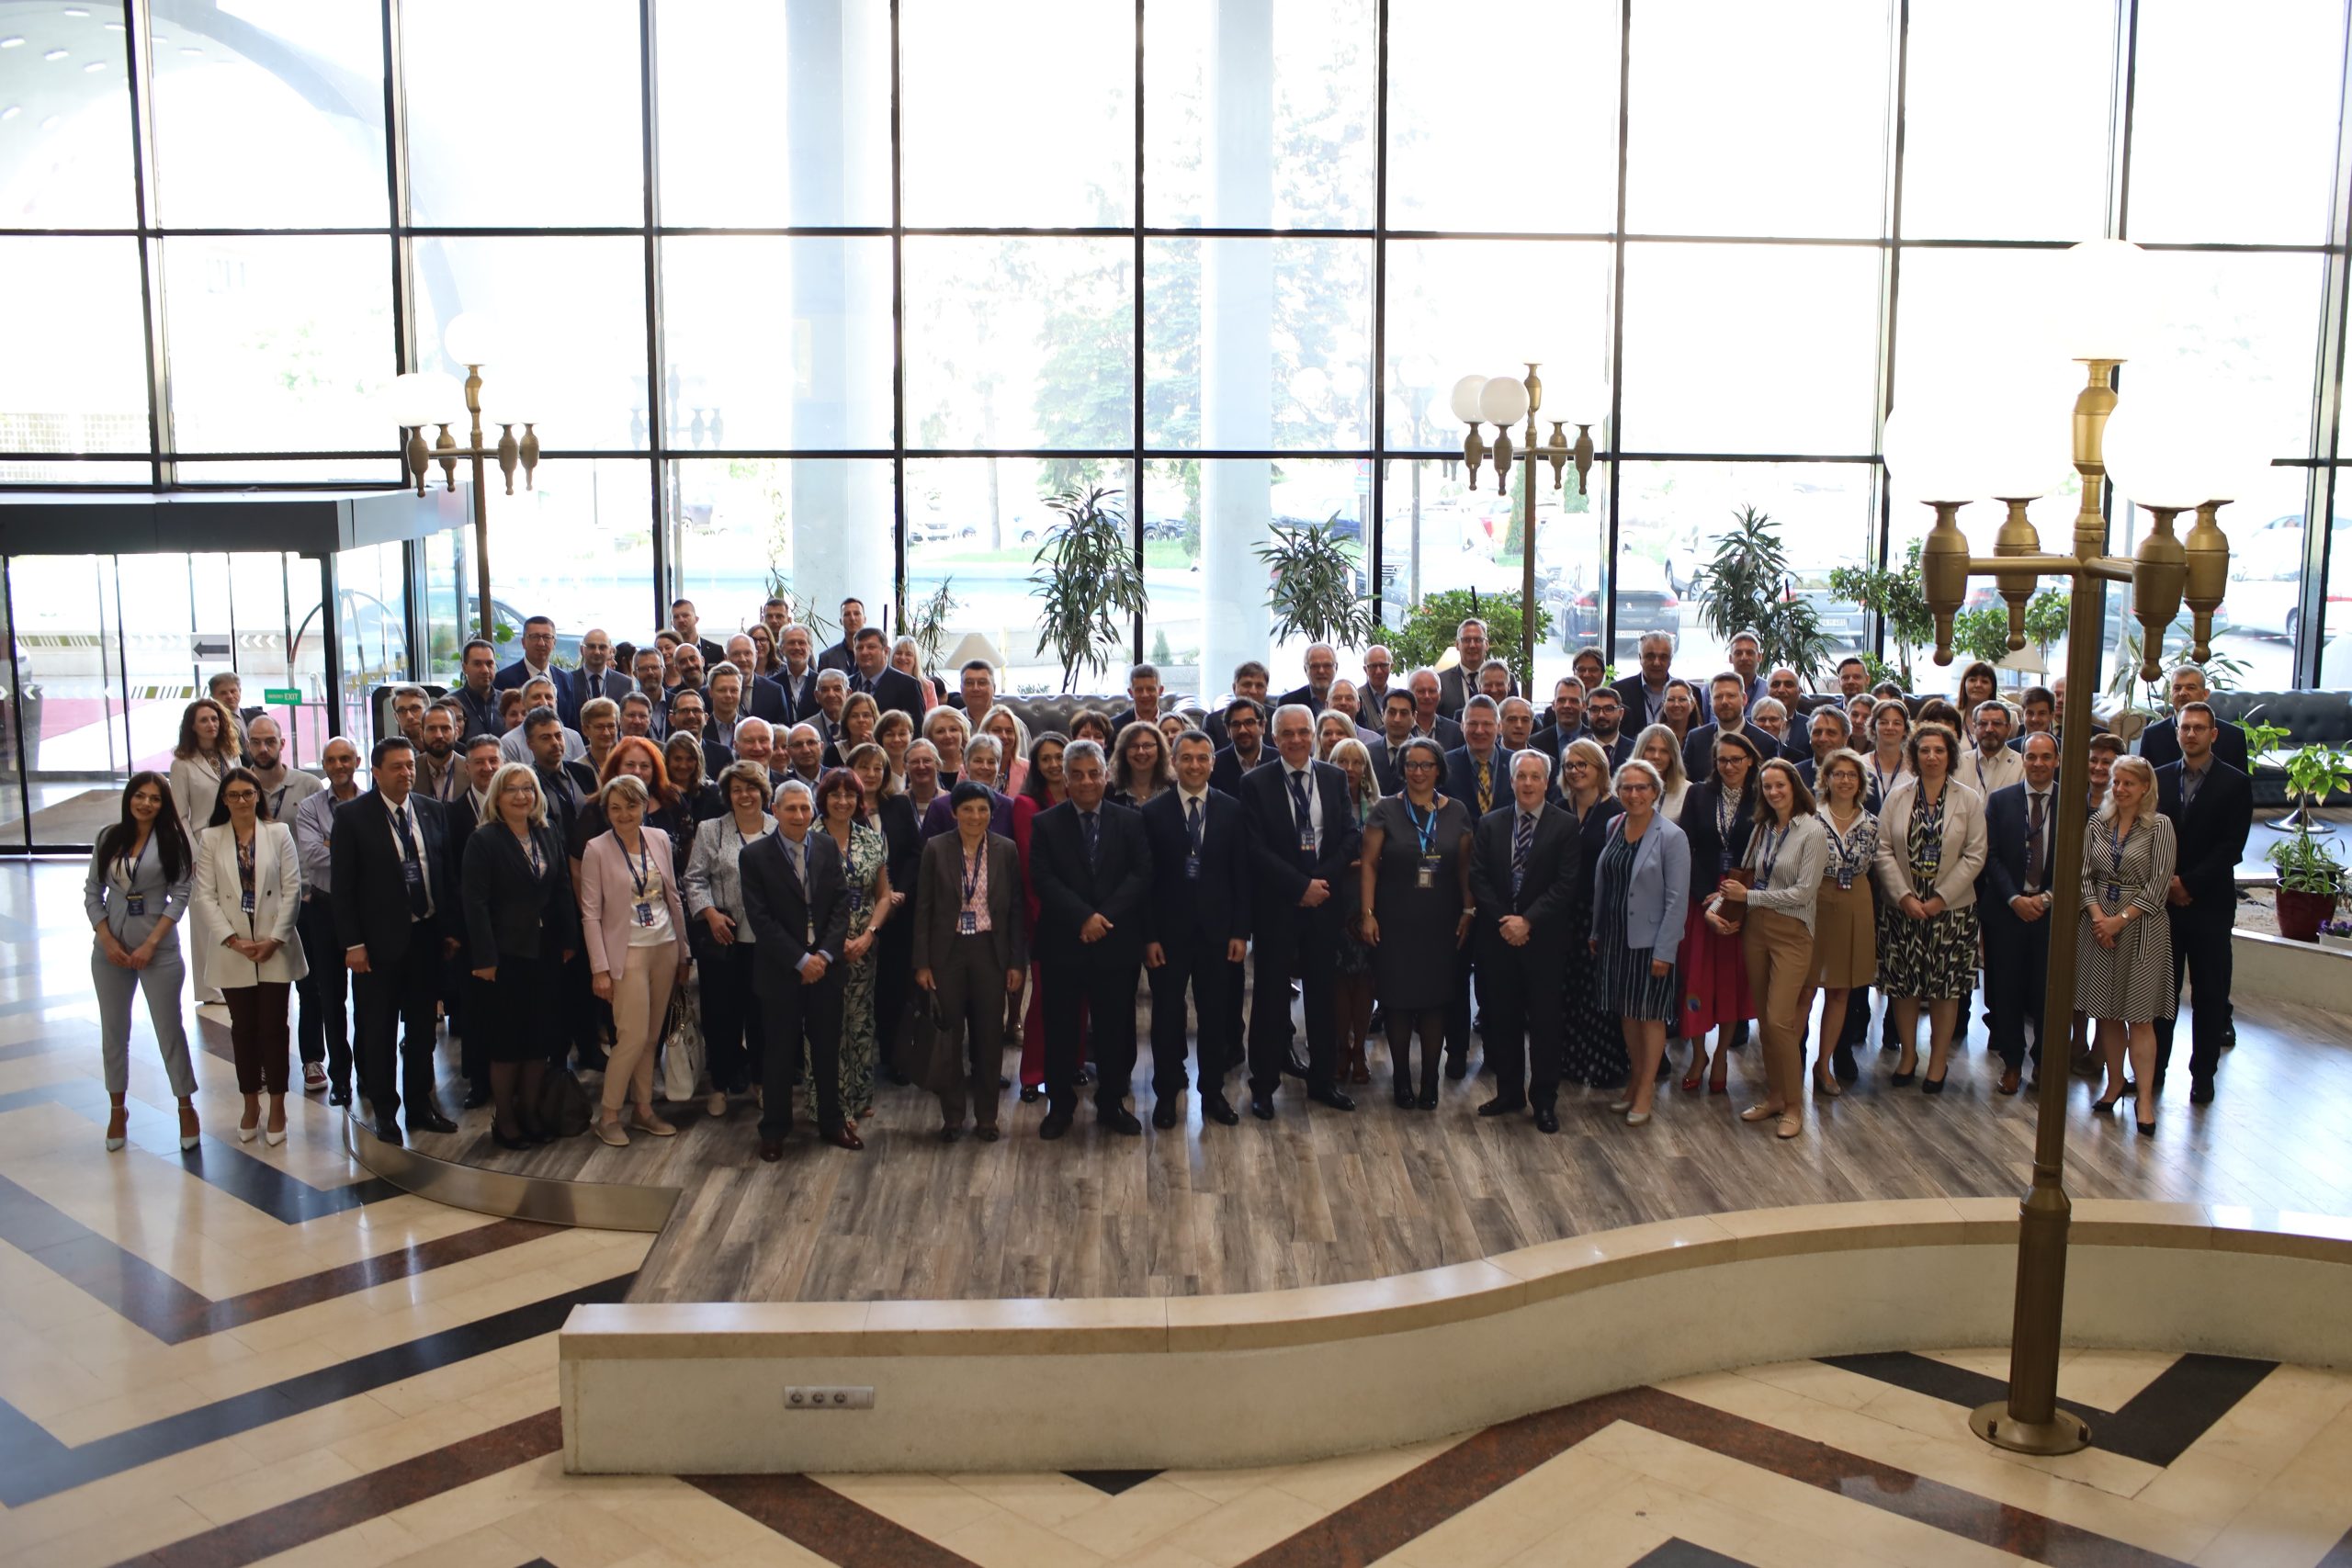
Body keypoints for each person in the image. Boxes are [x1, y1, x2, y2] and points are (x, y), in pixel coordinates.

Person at [333, 736, 458, 1145]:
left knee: (422, 1031)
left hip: (426, 936)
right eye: (397, 767)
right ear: (376, 772)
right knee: (379, 1030)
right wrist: (353, 944)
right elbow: (343, 887)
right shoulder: (353, 816)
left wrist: (449, 930)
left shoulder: (432, 810)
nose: (406, 773)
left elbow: (444, 873)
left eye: (410, 766)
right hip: (377, 943)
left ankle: (420, 1105)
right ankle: (386, 1112)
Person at [1238, 704, 1362, 1118]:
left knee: (1323, 997)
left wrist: (1318, 883)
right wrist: (1298, 887)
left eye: (1302, 732)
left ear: (1313, 735)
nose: (1295, 740)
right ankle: (1263, 1086)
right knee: (1270, 999)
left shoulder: (1333, 777)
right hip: (1278, 906)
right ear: (1274, 738)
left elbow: (1350, 836)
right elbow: (1254, 848)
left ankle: (1323, 1081)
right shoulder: (1255, 783)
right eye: (1287, 733)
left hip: (1323, 904)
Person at [1027, 739, 1151, 1137]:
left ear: (1106, 776)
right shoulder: (1045, 824)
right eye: (1077, 774)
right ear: (1065, 779)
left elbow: (1141, 874)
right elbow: (1042, 878)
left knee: (1115, 1029)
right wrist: (1083, 916)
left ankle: (1112, 1103)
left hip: (1116, 942)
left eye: (1094, 773)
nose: (1086, 782)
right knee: (1061, 1029)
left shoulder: (1130, 821)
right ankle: (1060, 1106)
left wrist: (1103, 917)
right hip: (1064, 942)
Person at [1136, 728, 1251, 1129]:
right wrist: (1149, 936)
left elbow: (1241, 876)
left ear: (1213, 763)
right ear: (1173, 763)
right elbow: (1145, 881)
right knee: (1167, 1017)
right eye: (1186, 758)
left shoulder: (1233, 810)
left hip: (1219, 934)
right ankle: (1167, 1093)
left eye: (1203, 758)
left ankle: (1213, 1092)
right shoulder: (1153, 813)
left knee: (1215, 1016)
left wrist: (1240, 932)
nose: (1195, 765)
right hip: (1168, 935)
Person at [462, 763, 578, 1148]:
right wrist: (485, 958)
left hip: (546, 952)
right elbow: (475, 903)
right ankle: (506, 1120)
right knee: (508, 1043)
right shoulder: (483, 840)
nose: (521, 795)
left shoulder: (547, 831)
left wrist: (569, 938)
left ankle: (530, 1112)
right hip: (504, 955)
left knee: (540, 1039)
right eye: (512, 789)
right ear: (497, 796)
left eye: (528, 788)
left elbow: (562, 887)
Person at [741, 779, 858, 1156]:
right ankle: (774, 1129)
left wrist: (823, 956)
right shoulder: (754, 856)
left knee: (827, 1049)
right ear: (774, 811)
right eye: (790, 808)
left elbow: (841, 905)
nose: (798, 815)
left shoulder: (825, 846)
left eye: (805, 808)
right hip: (781, 971)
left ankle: (832, 1122)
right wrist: (801, 960)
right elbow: (760, 919)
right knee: (778, 1052)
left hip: (826, 969)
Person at [1711, 758, 1826, 1140]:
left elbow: (1802, 893)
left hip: (1793, 932)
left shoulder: (1813, 831)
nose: (1774, 792)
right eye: (1767, 786)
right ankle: (1776, 1096)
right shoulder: (1762, 828)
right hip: (1756, 930)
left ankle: (1794, 1106)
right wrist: (1716, 907)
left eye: (1780, 785)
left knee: (1780, 1021)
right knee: (1765, 1019)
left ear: (1795, 786)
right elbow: (1742, 878)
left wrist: (1750, 898)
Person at [86, 773, 201, 1153]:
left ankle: (185, 1105)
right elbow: (92, 892)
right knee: (113, 1033)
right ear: (129, 798)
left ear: (163, 804)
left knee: (170, 1030)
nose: (146, 803)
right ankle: (117, 1109)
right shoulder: (108, 837)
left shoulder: (172, 842)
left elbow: (181, 896)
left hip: (158, 950)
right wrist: (106, 939)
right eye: (140, 796)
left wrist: (152, 944)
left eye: (154, 798)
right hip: (111, 951)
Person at [1871, 722, 1988, 1095]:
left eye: (1939, 750)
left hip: (1951, 909)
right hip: (1903, 906)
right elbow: (1883, 849)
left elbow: (1976, 854)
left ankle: (1938, 1060)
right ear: (1914, 755)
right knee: (1904, 986)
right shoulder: (1898, 796)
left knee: (1944, 988)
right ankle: (1908, 1055)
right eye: (1925, 750)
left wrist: (1940, 898)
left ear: (1950, 755)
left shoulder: (1968, 799)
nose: (1932, 757)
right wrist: (1904, 896)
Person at [1359, 737, 1476, 1110]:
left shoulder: (1457, 811)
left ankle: (1430, 1081)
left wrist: (1469, 911)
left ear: (1439, 769)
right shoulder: (1385, 810)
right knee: (1396, 1001)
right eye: (1411, 764)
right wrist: (1367, 914)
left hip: (1441, 920)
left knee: (1435, 1001)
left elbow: (1465, 869)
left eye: (1427, 765)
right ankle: (1401, 1081)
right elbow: (1369, 865)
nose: (1419, 772)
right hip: (1395, 920)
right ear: (1403, 769)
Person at [1469, 750, 1581, 1131]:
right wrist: (1507, 920)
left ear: (1546, 782)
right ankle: (1509, 1092)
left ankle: (1544, 1101)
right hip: (1499, 937)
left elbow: (1566, 884)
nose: (1528, 783)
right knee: (1502, 1019)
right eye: (1522, 776)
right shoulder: (1491, 823)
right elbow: (1478, 876)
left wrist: (1528, 921)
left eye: (1535, 777)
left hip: (1544, 941)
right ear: (1512, 780)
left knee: (1546, 1024)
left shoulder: (1565, 825)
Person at [913, 779, 1026, 1142]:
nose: (975, 816)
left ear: (992, 813)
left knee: (989, 1037)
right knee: (948, 1037)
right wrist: (922, 962)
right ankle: (952, 1117)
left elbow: (1016, 909)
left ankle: (987, 1117)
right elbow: (923, 908)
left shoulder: (1006, 849)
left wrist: (1016, 962)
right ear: (954, 813)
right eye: (967, 809)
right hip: (947, 953)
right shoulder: (936, 847)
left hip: (990, 951)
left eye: (982, 809)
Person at [580, 773, 689, 1147]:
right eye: (616, 808)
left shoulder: (659, 838)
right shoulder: (596, 849)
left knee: (651, 1037)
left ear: (645, 806)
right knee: (631, 1036)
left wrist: (684, 951)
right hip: (626, 953)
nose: (624, 814)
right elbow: (590, 914)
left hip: (665, 946)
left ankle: (643, 1109)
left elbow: (673, 897)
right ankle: (608, 1115)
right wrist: (599, 969)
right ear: (606, 811)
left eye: (631, 805)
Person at [2153, 702, 2251, 1104]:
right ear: (2177, 732)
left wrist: (2189, 883)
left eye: (2198, 728)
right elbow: (2150, 837)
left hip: (2210, 904)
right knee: (2161, 994)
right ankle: (2153, 1071)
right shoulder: (2158, 778)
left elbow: (2233, 846)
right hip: (2165, 904)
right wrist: (2169, 883)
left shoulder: (2235, 783)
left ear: (2214, 734)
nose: (2190, 734)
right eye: (2185, 727)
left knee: (2209, 995)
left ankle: (2203, 1075)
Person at [2077, 756, 2177, 1134]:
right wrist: (2098, 917)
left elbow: (2159, 885)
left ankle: (2145, 1098)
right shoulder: (2097, 823)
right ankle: (2115, 1081)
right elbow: (2083, 875)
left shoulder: (2160, 826)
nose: (2119, 789)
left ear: (2145, 788)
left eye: (2128, 783)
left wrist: (2119, 920)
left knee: (2138, 1016)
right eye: (2116, 782)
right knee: (2106, 1012)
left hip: (2141, 927)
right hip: (2098, 923)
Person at [1592, 761, 1690, 1126]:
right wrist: (1596, 931)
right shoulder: (1614, 825)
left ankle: (1646, 1088)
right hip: (1616, 936)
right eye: (1627, 788)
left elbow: (1677, 900)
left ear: (1655, 791)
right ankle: (1634, 1081)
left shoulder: (1672, 836)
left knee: (1649, 1016)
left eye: (1642, 788)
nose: (1634, 794)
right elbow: (1606, 883)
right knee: (1627, 1013)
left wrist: (1665, 950)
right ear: (1618, 791)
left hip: (1651, 942)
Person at [683, 761, 778, 1118]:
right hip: (723, 939)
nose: (744, 795)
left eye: (751, 788)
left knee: (762, 1016)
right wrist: (709, 913)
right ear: (727, 795)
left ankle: (762, 1082)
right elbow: (694, 879)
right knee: (721, 1015)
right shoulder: (711, 830)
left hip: (767, 942)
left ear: (763, 792)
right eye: (736, 789)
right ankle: (720, 1084)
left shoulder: (778, 828)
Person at [1677, 729, 1761, 1093]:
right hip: (1703, 897)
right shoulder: (1698, 794)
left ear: (1750, 761)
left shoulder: (1762, 796)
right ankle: (1699, 1054)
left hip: (1743, 899)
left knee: (1731, 981)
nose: (1729, 766)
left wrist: (1740, 894)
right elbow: (1686, 846)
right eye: (1722, 760)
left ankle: (1723, 1053)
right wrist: (1705, 896)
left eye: (1736, 759)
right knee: (1696, 979)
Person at [1978, 733, 2058, 1097]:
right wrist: (2014, 898)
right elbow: (1991, 856)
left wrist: (2047, 898)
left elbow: (2077, 859)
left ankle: (2043, 1061)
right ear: (2022, 759)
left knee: (2046, 992)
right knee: (2006, 990)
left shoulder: (2073, 803)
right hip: (2007, 911)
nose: (2038, 763)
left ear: (2057, 760)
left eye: (2046, 757)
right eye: (2032, 756)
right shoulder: (2001, 801)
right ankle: (2011, 1062)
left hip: (2051, 913)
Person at [814, 767, 893, 1124]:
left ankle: (859, 1097)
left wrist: (869, 933)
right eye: (835, 794)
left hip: (864, 945)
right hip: (820, 946)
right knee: (826, 1024)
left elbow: (884, 894)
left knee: (860, 1021)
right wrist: (832, 941)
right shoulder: (808, 838)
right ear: (824, 799)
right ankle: (829, 1103)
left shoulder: (871, 839)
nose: (843, 801)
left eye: (850, 794)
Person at [289, 737, 362, 1100]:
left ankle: (369, 1073)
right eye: (331, 760)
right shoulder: (309, 807)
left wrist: (333, 844)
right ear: (324, 765)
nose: (338, 766)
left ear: (357, 761)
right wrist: (357, 850)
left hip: (366, 910)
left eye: (345, 758)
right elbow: (312, 855)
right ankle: (341, 1079)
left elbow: (381, 853)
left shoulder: (371, 801)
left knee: (368, 1000)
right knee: (330, 997)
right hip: (324, 908)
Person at [1557, 739, 1627, 1092]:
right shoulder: (1558, 808)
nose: (1575, 771)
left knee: (1600, 990)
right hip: (1562, 913)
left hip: (1602, 913)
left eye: (1582, 764)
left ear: (1600, 768)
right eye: (1570, 765)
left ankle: (1605, 1063)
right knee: (1568, 989)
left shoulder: (1617, 811)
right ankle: (1571, 1060)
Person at [1012, 733, 1071, 1102]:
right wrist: (1051, 912)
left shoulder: (1083, 796)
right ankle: (1034, 1073)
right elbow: (1030, 865)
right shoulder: (1027, 803)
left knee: (1080, 995)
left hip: (1084, 915)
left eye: (1059, 756)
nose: (1053, 764)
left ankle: (1072, 1064)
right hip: (1045, 915)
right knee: (1045, 997)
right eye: (1045, 758)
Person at [1326, 737, 1380, 1086]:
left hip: (1368, 901)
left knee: (1365, 980)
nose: (1349, 768)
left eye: (1356, 762)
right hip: (1333, 900)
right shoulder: (1323, 803)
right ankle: (1340, 1048)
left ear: (1365, 768)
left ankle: (1359, 1048)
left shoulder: (1377, 807)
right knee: (1338, 980)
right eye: (1342, 761)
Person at [2139, 665, 2250, 772]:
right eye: (2177, 688)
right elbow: (2143, 781)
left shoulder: (2233, 736)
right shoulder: (2152, 736)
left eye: (2190, 688)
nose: (2182, 693)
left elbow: (2240, 783)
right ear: (2170, 694)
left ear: (2205, 694)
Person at [170, 697, 241, 841]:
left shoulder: (232, 755)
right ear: (193, 726)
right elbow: (180, 816)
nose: (211, 724)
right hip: (203, 836)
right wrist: (193, 851)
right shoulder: (181, 765)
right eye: (204, 720)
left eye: (214, 719)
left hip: (236, 831)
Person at [922, 733, 1014, 839]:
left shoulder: (1008, 807)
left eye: (991, 762)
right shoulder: (940, 807)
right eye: (978, 761)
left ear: (999, 767)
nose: (985, 767)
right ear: (965, 765)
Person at [494, 615, 575, 725]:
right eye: (535, 637)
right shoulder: (504, 679)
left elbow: (571, 721)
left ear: (554, 643)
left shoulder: (565, 678)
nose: (541, 643)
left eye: (547, 637)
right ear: (523, 642)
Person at [242, 715, 322, 825]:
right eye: (255, 742)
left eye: (270, 741)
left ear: (282, 744)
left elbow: (326, 832)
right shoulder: (237, 788)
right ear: (247, 745)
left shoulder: (310, 786)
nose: (263, 749)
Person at [1680, 671, 1751, 784]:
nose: (1724, 702)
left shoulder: (1765, 742)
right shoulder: (1696, 739)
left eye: (1731, 696)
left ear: (1744, 699)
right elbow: (1684, 784)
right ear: (1710, 701)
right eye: (1718, 697)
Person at [846, 626, 925, 724]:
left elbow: (916, 728)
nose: (864, 652)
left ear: (886, 651)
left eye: (871, 647)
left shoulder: (908, 686)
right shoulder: (848, 684)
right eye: (859, 648)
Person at [499, 678, 586, 764]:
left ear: (556, 702)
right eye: (536, 697)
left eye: (548, 697)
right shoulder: (510, 742)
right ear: (524, 702)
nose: (544, 702)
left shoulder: (573, 737)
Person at [1436, 619, 1514, 714]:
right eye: (1466, 640)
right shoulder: (1441, 681)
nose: (1472, 645)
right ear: (1457, 644)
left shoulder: (1507, 680)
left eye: (1478, 640)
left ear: (1487, 644)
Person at [1611, 631, 1677, 729]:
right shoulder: (1619, 691)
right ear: (1640, 658)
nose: (1656, 663)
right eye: (1650, 656)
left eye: (1663, 657)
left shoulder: (1690, 693)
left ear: (1671, 659)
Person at [1203, 660, 1272, 749]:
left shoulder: (1279, 719)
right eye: (1247, 685)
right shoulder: (1213, 722)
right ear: (1234, 688)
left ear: (1266, 690)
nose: (1253, 691)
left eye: (1259, 686)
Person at [1210, 696, 1271, 796]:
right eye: (1236, 724)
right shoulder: (1214, 765)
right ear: (1227, 730)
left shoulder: (1279, 760)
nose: (1242, 730)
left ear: (1262, 726)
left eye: (1249, 722)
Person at [1964, 698, 2024, 798]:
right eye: (1983, 724)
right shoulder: (1958, 763)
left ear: (2009, 728)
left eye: (1996, 724)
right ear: (1974, 727)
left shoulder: (2022, 766)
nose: (1989, 729)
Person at [564, 627, 633, 713]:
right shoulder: (567, 681)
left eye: (602, 647)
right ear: (582, 650)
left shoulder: (625, 683)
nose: (597, 652)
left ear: (610, 651)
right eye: (591, 647)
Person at [1112, 719, 1175, 810]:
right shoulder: (1109, 792)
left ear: (1160, 749)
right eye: (1133, 746)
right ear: (1123, 752)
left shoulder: (1174, 790)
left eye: (1147, 746)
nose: (1141, 752)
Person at [1634, 724, 1690, 825]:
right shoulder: (1623, 787)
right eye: (1651, 749)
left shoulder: (1687, 791)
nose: (1656, 756)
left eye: (1664, 751)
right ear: (1641, 752)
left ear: (1672, 756)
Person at [1864, 698, 1914, 810]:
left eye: (1897, 723)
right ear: (1873, 728)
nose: (1890, 727)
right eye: (1883, 722)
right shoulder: (1859, 765)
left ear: (1905, 730)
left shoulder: (1916, 769)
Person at [1367, 688, 1418, 795]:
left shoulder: (1425, 755)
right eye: (1392, 712)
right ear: (1382, 715)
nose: (1397, 719)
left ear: (1414, 717)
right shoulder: (1368, 753)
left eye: (1404, 713)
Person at [451, 638, 502, 738]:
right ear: (464, 668)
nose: (485, 670)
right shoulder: (451, 705)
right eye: (477, 664)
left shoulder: (506, 702)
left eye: (489, 664)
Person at [1406, 668, 1465, 749]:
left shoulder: (1456, 732)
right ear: (1409, 693)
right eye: (1421, 691)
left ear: (1440, 694)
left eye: (1432, 691)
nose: (1427, 696)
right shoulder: (1398, 728)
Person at [1530, 677, 1588, 760]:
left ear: (1584, 706)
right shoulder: (1534, 743)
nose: (1567, 705)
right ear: (1553, 705)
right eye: (1561, 700)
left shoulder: (1595, 741)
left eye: (1573, 701)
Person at [1797, 705, 1853, 788]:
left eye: (1831, 733)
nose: (1823, 739)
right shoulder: (1794, 775)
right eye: (1817, 732)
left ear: (1845, 738)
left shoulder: (1861, 777)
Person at [980, 705, 1030, 797]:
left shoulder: (1028, 769)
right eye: (997, 730)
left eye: (1009, 731)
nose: (1004, 736)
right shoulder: (967, 769)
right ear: (985, 733)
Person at [775, 624, 820, 722]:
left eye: (802, 643)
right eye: (791, 643)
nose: (797, 647)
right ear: (781, 649)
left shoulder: (822, 684)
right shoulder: (772, 685)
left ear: (810, 648)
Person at [1583, 685, 1634, 772]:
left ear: (1621, 713)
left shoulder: (1636, 750)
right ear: (1587, 713)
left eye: (1609, 709)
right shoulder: (1577, 750)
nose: (1601, 715)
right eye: (1595, 709)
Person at [1278, 643, 1340, 714]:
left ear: (1336, 668)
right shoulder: (1288, 703)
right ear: (1305, 669)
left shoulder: (1347, 701)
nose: (1321, 671)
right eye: (1315, 666)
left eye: (1327, 665)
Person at [890, 636, 945, 710]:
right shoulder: (883, 683)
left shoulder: (928, 686)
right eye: (899, 653)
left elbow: (932, 716)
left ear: (915, 659)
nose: (903, 657)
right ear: (892, 656)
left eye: (908, 654)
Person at [1109, 661, 1168, 732]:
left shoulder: (1173, 725)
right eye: (1139, 690)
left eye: (1150, 689)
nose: (1145, 695)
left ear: (1160, 691)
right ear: (1130, 693)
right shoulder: (1113, 726)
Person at [670, 597, 725, 666]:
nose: (681, 620)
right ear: (672, 623)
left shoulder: (716, 651)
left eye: (685, 615)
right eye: (676, 617)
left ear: (696, 619)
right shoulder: (669, 653)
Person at [817, 596, 865, 671]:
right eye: (847, 614)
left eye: (856, 613)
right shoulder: (826, 658)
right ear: (841, 621)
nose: (852, 618)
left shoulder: (878, 654)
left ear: (864, 619)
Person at [1660, 679, 1700, 745]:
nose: (1676, 705)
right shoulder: (1653, 737)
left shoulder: (1703, 738)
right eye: (1671, 699)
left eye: (1682, 699)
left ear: (1692, 704)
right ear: (1663, 704)